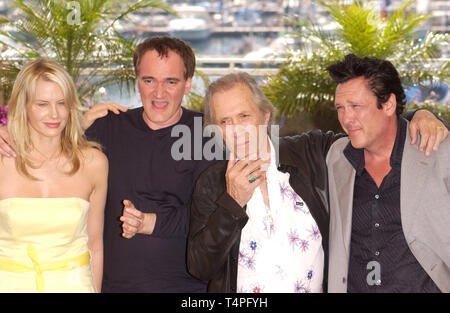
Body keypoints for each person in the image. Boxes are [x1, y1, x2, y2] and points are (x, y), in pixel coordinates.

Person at [186, 72, 448, 293]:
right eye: (224, 121)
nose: (237, 130)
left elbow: (369, 133)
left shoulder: (312, 152)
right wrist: (232, 203)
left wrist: (418, 115)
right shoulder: (212, 182)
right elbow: (200, 267)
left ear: (265, 115)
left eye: (244, 116)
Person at [325, 54, 450, 292]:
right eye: (340, 108)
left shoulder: (439, 152)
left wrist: (423, 113)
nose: (346, 118)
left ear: (389, 105)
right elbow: (278, 147)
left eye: (356, 106)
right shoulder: (336, 157)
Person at [0, 59, 107, 292]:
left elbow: (95, 244)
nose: (55, 114)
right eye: (42, 104)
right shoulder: (2, 162)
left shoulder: (94, 163)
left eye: (62, 103)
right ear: (23, 105)